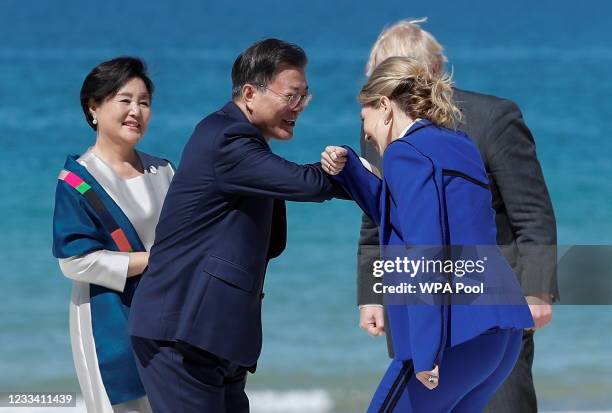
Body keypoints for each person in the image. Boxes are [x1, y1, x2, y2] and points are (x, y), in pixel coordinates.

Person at [128, 39, 345, 413]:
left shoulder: (244, 144)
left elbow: (270, 241)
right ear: (249, 93)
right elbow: (306, 183)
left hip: (216, 336)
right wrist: (364, 173)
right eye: (291, 96)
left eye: (304, 97)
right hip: (181, 333)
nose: (299, 108)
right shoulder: (227, 138)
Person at [355, 18, 558, 413]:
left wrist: (537, 290)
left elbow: (531, 210)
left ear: (430, 72)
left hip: (486, 309)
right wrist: (371, 294)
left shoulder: (492, 118)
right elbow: (375, 215)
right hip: (420, 306)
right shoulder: (381, 127)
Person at [322, 56, 534, 412]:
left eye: (365, 120)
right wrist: (351, 172)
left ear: (385, 107)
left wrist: (425, 352)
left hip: (456, 335)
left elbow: (425, 252)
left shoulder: (404, 154)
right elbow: (411, 219)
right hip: (502, 333)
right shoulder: (458, 144)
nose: (367, 135)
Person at [52, 57, 174, 413]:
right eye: (125, 100)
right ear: (94, 107)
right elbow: (75, 261)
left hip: (167, 316)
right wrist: (152, 261)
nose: (136, 111)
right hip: (108, 317)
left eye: (144, 102)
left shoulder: (164, 169)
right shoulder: (78, 181)